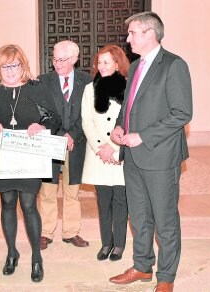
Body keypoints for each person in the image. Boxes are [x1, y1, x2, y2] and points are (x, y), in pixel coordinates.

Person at [109, 12, 192, 292]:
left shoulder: (174, 65)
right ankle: (142, 266)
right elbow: (129, 106)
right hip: (132, 156)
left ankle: (166, 277)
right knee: (140, 216)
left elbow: (182, 113)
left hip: (160, 156)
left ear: (149, 34)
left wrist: (142, 136)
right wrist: (119, 127)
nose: (128, 38)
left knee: (165, 219)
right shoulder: (135, 67)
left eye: (132, 33)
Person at [0, 45, 60, 281]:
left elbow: (55, 119)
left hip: (30, 158)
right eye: (5, 66)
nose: (10, 71)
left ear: (23, 65)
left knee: (29, 204)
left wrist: (41, 126)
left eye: (15, 65)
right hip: (2, 160)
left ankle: (36, 257)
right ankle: (12, 253)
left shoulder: (36, 88)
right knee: (8, 203)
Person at [37, 40, 92, 250]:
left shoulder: (87, 81)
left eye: (62, 60)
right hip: (51, 142)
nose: (57, 64)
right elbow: (41, 112)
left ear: (75, 59)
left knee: (72, 190)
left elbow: (88, 114)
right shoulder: (43, 81)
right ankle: (45, 233)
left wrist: (72, 135)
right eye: (54, 59)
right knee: (47, 190)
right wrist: (59, 135)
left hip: (75, 144)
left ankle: (71, 232)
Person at [81, 45, 130, 261]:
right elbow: (87, 121)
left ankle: (119, 244)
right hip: (99, 154)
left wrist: (115, 147)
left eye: (106, 62)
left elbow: (131, 121)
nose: (101, 66)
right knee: (103, 202)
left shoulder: (129, 88)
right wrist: (101, 146)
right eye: (99, 62)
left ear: (118, 64)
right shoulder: (90, 89)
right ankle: (105, 243)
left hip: (121, 154)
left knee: (121, 201)